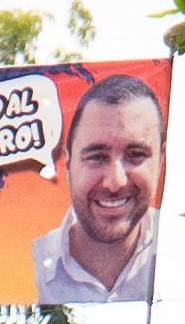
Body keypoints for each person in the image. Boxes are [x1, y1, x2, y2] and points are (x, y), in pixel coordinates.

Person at [30, 74, 165, 307]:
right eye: (97, 157)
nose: (115, 182)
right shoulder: (28, 266)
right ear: (68, 161)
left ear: (161, 160)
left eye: (136, 155)